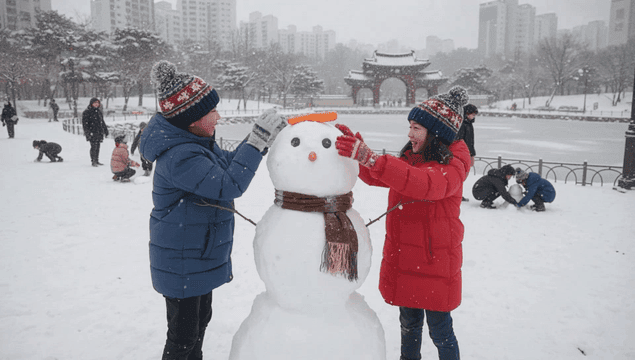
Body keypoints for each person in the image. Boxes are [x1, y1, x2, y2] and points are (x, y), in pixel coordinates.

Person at [139, 60, 287, 360]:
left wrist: (259, 139)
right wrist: (257, 141)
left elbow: (229, 163)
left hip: (194, 253)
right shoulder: (180, 155)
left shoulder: (197, 142)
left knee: (199, 321)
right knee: (182, 336)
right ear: (192, 119)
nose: (218, 117)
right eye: (212, 112)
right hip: (182, 258)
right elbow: (228, 184)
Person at [335, 86, 471, 360]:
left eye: (417, 128)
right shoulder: (413, 157)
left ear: (437, 133)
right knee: (408, 327)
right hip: (407, 259)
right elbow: (382, 176)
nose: (410, 134)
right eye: (410, 126)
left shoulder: (453, 165)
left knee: (440, 332)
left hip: (433, 264)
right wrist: (361, 154)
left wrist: (371, 157)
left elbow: (424, 184)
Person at [455, 103, 478, 201]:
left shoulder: (468, 124)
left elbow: (470, 142)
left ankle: (457, 194)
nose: (474, 116)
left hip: (466, 152)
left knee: (462, 175)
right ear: (467, 113)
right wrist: (470, 154)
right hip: (462, 153)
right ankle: (456, 194)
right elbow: (463, 141)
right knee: (460, 175)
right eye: (472, 114)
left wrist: (472, 154)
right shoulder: (463, 125)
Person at [82, 97, 109, 167]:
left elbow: (102, 122)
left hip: (99, 131)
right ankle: (93, 160)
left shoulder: (99, 111)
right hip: (92, 131)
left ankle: (96, 160)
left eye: (97, 103)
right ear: (91, 104)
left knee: (98, 146)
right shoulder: (87, 112)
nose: (96, 104)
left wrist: (106, 130)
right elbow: (85, 124)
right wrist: (87, 133)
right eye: (95, 103)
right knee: (93, 146)